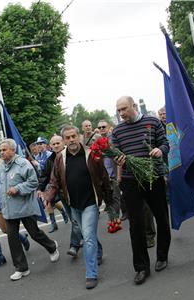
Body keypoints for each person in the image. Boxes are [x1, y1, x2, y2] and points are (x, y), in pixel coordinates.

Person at [45, 125, 113, 289]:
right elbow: (55, 180)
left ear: (79, 136)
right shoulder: (60, 157)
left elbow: (103, 176)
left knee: (88, 236)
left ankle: (91, 274)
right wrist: (49, 196)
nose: (71, 140)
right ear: (64, 141)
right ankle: (98, 251)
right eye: (67, 138)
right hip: (73, 204)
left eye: (73, 136)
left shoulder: (91, 153)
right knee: (86, 233)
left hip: (90, 202)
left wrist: (110, 202)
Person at [112, 96, 170, 285]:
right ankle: (141, 267)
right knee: (136, 225)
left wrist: (160, 150)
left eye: (124, 109)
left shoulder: (152, 122)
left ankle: (162, 255)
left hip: (154, 177)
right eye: (118, 110)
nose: (121, 114)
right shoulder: (118, 130)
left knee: (161, 217)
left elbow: (166, 143)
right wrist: (118, 159)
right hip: (131, 181)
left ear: (134, 106)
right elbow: (115, 152)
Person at [0, 138, 60, 281]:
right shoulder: (0, 167)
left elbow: (33, 182)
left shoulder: (23, 164)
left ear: (13, 150)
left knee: (34, 233)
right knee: (12, 237)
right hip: (9, 209)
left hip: (24, 206)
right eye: (0, 150)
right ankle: (21, 268)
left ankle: (51, 247)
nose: (1, 152)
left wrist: (17, 189)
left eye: (4, 150)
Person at [37, 136, 69, 233]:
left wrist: (38, 165)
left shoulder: (50, 155)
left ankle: (63, 212)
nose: (39, 145)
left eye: (41, 143)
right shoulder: (38, 156)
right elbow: (45, 173)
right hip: (49, 183)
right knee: (49, 202)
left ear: (46, 145)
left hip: (59, 184)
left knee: (52, 202)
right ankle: (53, 223)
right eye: (38, 144)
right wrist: (40, 188)